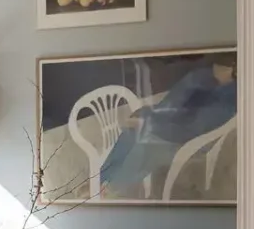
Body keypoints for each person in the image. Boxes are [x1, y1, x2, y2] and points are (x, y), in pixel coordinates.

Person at [99, 60, 236, 196]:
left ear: (233, 68)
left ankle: (114, 189)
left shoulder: (228, 98)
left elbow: (190, 131)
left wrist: (148, 124)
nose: (215, 67)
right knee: (131, 132)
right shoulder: (205, 78)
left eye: (222, 63)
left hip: (189, 142)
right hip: (178, 127)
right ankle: (100, 180)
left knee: (146, 143)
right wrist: (148, 116)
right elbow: (170, 106)